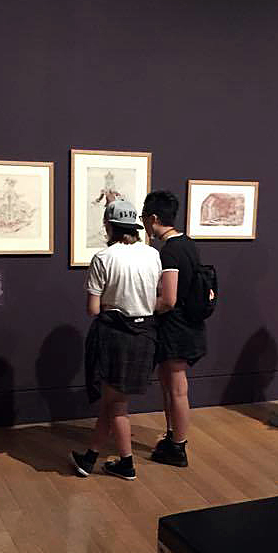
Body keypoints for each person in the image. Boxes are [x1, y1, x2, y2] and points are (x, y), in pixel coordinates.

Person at [72, 199, 162, 480]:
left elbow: (93, 309)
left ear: (109, 226)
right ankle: (93, 459)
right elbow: (157, 297)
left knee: (116, 404)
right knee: (113, 402)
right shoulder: (152, 255)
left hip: (115, 336)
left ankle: (123, 463)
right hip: (145, 335)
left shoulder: (103, 258)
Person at [141, 190, 207, 467]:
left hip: (175, 329)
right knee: (172, 385)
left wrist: (143, 306)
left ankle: (178, 446)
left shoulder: (169, 251)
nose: (144, 223)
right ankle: (173, 438)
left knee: (177, 388)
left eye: (144, 218)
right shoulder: (187, 243)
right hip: (188, 325)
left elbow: (168, 299)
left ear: (153, 218)